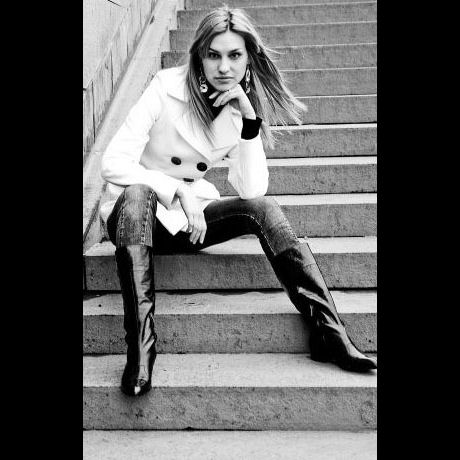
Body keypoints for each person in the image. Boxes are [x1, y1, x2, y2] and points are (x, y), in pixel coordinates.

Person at [99, 6, 377, 397]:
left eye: (234, 55)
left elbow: (252, 190)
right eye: (213, 55)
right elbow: (112, 163)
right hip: (134, 219)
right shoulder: (166, 86)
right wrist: (177, 189)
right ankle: (141, 349)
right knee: (138, 192)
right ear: (199, 56)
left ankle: (329, 331)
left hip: (186, 223)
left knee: (264, 209)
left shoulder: (236, 112)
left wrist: (248, 123)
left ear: (248, 59)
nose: (224, 67)